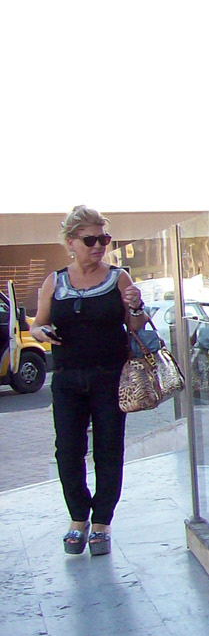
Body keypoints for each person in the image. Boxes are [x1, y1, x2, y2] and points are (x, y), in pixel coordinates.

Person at [29, 206, 149, 556]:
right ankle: (78, 517)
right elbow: (37, 324)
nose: (98, 246)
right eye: (90, 240)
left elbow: (135, 325)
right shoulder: (55, 281)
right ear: (71, 242)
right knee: (68, 450)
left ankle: (102, 522)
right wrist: (41, 332)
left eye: (104, 239)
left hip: (110, 376)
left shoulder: (118, 278)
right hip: (67, 378)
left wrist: (136, 306)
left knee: (109, 449)